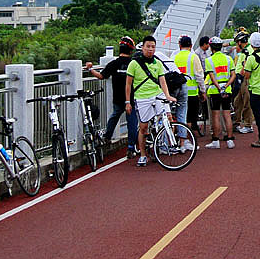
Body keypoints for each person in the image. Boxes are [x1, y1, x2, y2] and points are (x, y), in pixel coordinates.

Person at [125, 36, 190, 167]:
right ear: (143, 47)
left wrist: (167, 96)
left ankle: (170, 144)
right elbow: (128, 84)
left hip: (157, 95)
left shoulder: (157, 63)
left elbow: (162, 81)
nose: (150, 49)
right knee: (143, 128)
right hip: (142, 97)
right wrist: (128, 101)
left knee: (169, 117)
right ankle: (143, 155)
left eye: (153, 47)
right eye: (148, 46)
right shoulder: (134, 64)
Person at [85, 35, 139, 158]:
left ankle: (107, 137)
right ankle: (131, 147)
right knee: (132, 122)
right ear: (131, 50)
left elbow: (101, 76)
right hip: (131, 98)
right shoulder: (133, 64)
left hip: (118, 98)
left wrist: (90, 69)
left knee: (114, 116)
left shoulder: (114, 63)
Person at [203, 36, 237, 149]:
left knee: (216, 115)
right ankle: (230, 140)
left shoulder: (209, 60)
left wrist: (218, 87)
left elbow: (212, 77)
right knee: (227, 114)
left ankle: (216, 140)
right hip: (227, 89)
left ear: (211, 48)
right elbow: (233, 75)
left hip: (214, 90)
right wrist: (226, 86)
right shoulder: (228, 59)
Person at [173, 36, 206, 136]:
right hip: (191, 93)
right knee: (190, 117)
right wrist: (203, 91)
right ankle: (186, 138)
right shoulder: (193, 57)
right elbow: (199, 76)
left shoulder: (174, 57)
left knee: (179, 115)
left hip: (176, 92)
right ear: (191, 46)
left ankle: (178, 137)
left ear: (180, 45)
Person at [232, 32, 254, 134]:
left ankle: (248, 124)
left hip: (245, 78)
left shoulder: (248, 51)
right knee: (237, 101)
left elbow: (246, 65)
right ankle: (236, 123)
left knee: (246, 101)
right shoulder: (245, 50)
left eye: (237, 43)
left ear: (241, 42)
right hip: (239, 78)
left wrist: (241, 75)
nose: (237, 45)